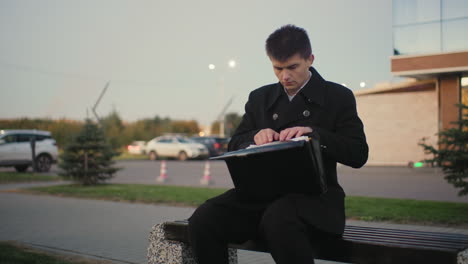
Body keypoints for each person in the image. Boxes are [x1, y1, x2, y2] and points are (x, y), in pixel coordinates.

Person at [188, 24, 368, 264]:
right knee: (204, 218)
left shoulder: (337, 97)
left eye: (293, 67)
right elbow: (234, 143)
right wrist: (254, 137)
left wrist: (315, 134)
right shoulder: (260, 98)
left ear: (310, 59)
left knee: (279, 218)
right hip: (259, 198)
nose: (285, 76)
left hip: (317, 202)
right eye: (277, 68)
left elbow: (358, 154)